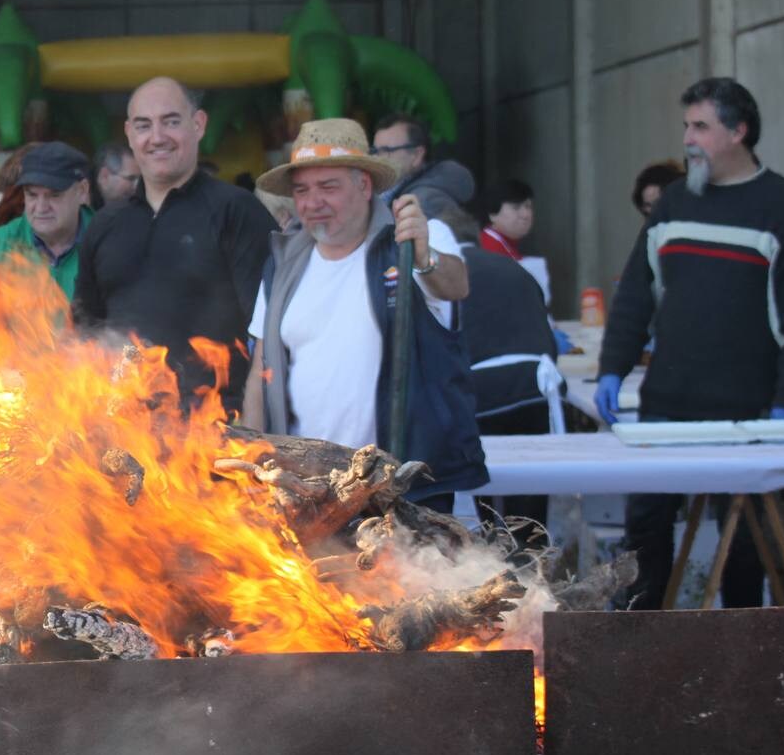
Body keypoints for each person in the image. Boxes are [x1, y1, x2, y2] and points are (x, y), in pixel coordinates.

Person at [596, 77, 784, 609]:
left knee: (746, 546)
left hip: (749, 412)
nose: (688, 138)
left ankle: (740, 657)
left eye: (701, 126)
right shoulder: (673, 202)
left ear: (739, 131)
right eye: (686, 126)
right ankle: (641, 639)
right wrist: (613, 367)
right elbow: (636, 297)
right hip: (666, 404)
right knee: (645, 534)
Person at [241, 118, 487, 511]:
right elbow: (261, 371)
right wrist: (252, 461)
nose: (312, 202)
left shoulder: (412, 238)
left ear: (364, 185)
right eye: (301, 190)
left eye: (328, 186)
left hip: (403, 489)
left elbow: (455, 286)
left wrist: (424, 257)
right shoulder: (283, 261)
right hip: (310, 490)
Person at [73, 77, 277, 413]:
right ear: (128, 134)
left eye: (171, 122)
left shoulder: (238, 212)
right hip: (122, 430)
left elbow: (267, 338)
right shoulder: (104, 224)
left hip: (213, 432)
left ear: (198, 125)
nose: (157, 138)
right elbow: (85, 332)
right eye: (143, 125)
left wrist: (255, 434)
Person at [440, 208, 563, 529]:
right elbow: (546, 331)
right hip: (534, 388)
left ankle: (498, 561)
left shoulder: (442, 277)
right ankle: (535, 562)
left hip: (480, 393)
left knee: (490, 498)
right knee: (531, 491)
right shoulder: (513, 268)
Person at [0, 141, 93, 301]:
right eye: (32, 195)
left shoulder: (107, 243)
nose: (41, 208)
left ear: (82, 192)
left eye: (54, 195)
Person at [369, 113, 475, 220]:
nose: (378, 158)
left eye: (387, 151)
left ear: (416, 155)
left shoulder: (425, 203)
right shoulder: (392, 193)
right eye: (375, 151)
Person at [476, 179, 534, 260]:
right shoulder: (488, 249)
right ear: (492, 214)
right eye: (516, 207)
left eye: (528, 206)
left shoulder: (507, 243)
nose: (526, 214)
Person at [91, 142, 140, 208]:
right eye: (131, 178)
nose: (137, 186)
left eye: (140, 179)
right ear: (104, 177)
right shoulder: (85, 214)